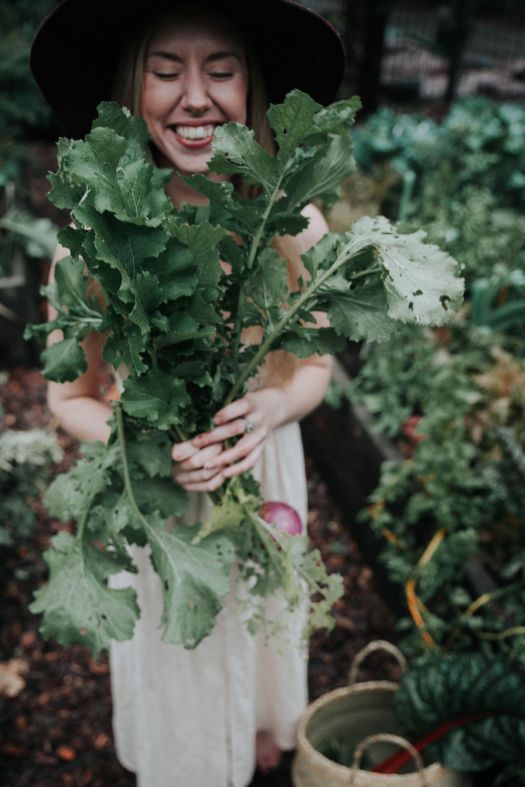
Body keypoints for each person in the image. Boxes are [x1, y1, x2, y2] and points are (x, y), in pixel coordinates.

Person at [30, 2, 345, 785]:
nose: (196, 97)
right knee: (177, 636)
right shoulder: (91, 238)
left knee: (261, 617)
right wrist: (142, 444)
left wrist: (272, 406)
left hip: (260, 465)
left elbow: (314, 367)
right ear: (130, 90)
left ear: (253, 89)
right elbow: (69, 400)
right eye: (165, 72)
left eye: (222, 71)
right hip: (157, 495)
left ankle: (258, 730)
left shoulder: (289, 219)